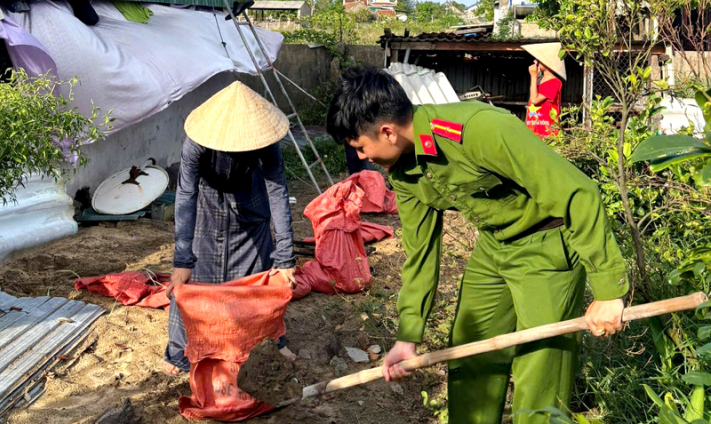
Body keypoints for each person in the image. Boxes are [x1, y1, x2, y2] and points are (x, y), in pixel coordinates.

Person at [326, 67, 628, 424]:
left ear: (387, 132)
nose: (362, 158)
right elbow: (421, 252)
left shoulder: (479, 130)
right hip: (495, 246)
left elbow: (578, 193)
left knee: (540, 365)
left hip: (547, 244)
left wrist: (609, 291)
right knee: (469, 350)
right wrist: (408, 336)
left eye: (361, 147)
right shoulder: (403, 170)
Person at [163, 81, 296, 375]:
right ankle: (180, 351)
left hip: (251, 199)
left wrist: (285, 256)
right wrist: (183, 258)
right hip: (208, 202)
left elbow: (277, 191)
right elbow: (186, 194)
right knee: (191, 281)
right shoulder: (195, 143)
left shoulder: (267, 142)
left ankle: (269, 341)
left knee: (258, 279)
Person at [523, 43, 565, 138]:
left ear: (547, 63)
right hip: (533, 126)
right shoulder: (538, 79)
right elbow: (531, 103)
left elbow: (535, 100)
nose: (535, 62)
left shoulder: (554, 82)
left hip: (546, 130)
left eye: (538, 60)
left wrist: (533, 76)